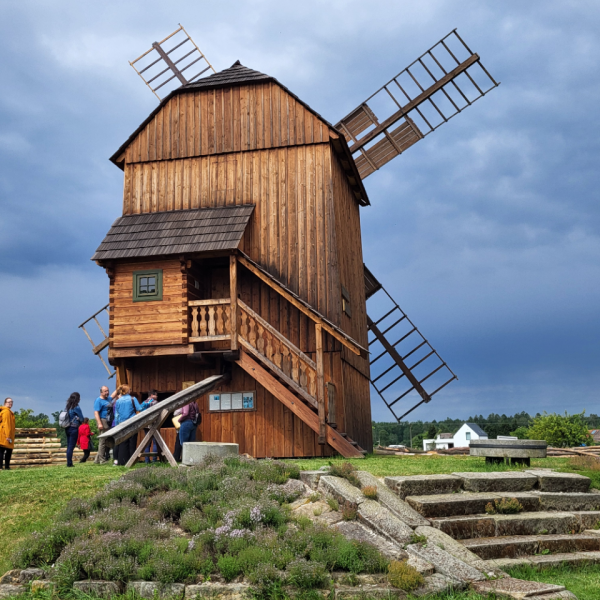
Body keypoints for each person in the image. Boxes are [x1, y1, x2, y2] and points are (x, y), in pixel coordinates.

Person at [113, 385, 141, 466]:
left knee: (123, 443)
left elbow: (116, 415)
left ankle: (122, 461)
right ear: (127, 391)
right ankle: (131, 461)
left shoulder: (118, 401)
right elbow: (139, 408)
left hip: (122, 424)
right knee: (132, 442)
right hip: (132, 423)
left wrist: (117, 425)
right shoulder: (132, 399)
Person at [64, 393, 84, 467]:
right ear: (77, 399)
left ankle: (69, 462)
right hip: (74, 428)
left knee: (69, 446)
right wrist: (79, 419)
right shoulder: (76, 407)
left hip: (67, 427)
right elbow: (82, 418)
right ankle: (69, 463)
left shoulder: (68, 407)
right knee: (71, 447)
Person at [93, 385, 112, 464]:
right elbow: (96, 412)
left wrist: (119, 389)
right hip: (102, 420)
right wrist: (99, 423)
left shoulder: (108, 399)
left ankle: (97, 460)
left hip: (108, 421)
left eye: (107, 391)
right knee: (103, 440)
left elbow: (113, 395)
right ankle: (102, 460)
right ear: (101, 392)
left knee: (106, 440)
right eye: (105, 391)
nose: (107, 392)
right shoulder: (99, 400)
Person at [141, 390, 159, 464]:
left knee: (147, 442)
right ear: (152, 395)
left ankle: (146, 460)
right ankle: (154, 460)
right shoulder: (155, 402)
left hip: (145, 424)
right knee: (155, 442)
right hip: (153, 424)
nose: (157, 396)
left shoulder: (144, 402)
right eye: (156, 395)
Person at [0, 398, 16, 470]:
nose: (10, 403)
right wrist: (7, 436)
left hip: (7, 434)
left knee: (8, 450)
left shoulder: (8, 411)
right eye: (9, 402)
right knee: (2, 451)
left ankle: (6, 466)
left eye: (11, 402)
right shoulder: (6, 412)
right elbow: (6, 424)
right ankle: (2, 467)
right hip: (5, 434)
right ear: (5, 403)